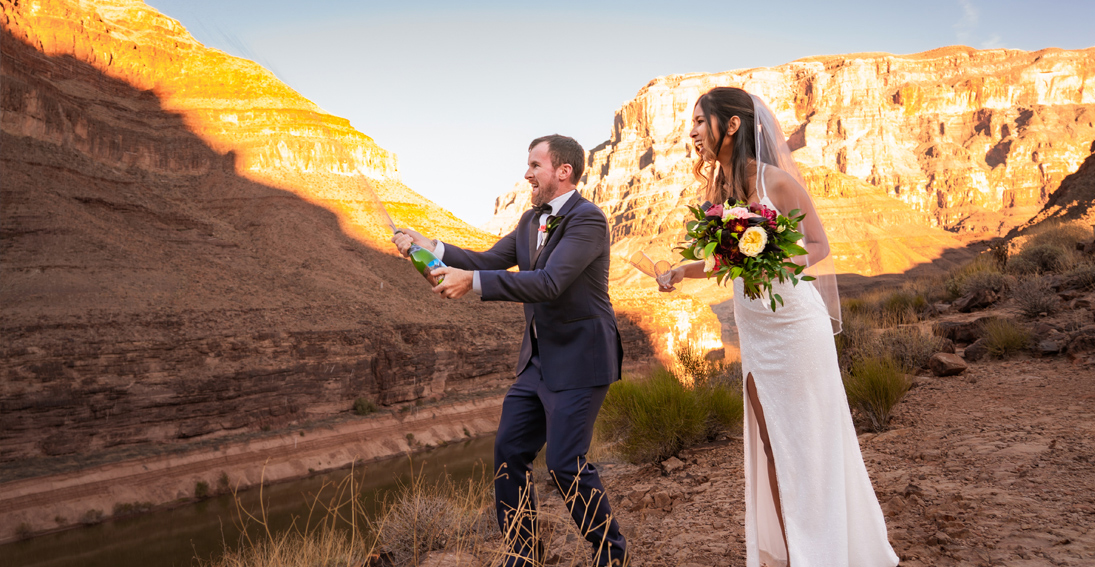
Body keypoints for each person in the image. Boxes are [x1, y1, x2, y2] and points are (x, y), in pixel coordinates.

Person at [659, 87, 900, 567]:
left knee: (810, 444)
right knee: (772, 444)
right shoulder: (717, 194)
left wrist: (772, 259)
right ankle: (795, 553)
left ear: (731, 125)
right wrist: (682, 270)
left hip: (795, 325)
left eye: (699, 121)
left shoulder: (775, 183)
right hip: (757, 334)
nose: (691, 133)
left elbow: (819, 244)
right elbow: (723, 258)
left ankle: (828, 553)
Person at [392, 135, 628, 567]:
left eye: (535, 165)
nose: (526, 174)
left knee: (564, 464)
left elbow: (550, 283)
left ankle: (611, 554)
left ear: (563, 171)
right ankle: (523, 554)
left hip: (582, 359)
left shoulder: (588, 220)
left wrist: (472, 284)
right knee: (509, 451)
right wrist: (430, 247)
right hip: (537, 362)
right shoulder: (528, 222)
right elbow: (485, 259)